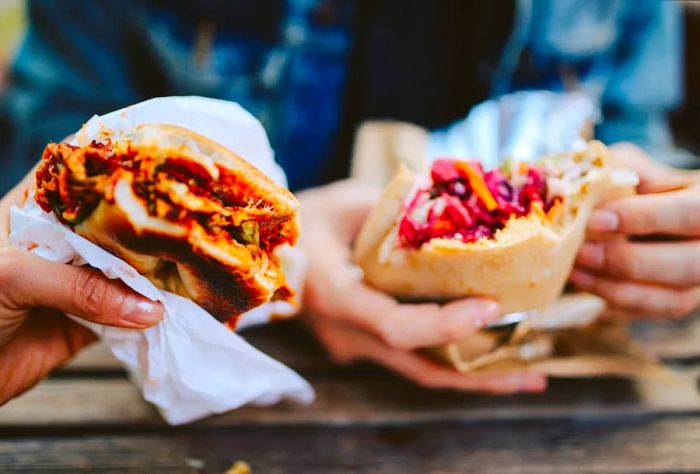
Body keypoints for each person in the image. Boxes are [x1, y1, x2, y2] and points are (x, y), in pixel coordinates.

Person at [0, 0, 695, 401]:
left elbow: (632, 132)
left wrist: (659, 227)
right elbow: (41, 182)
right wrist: (291, 273)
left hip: (558, 396)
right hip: (139, 385)